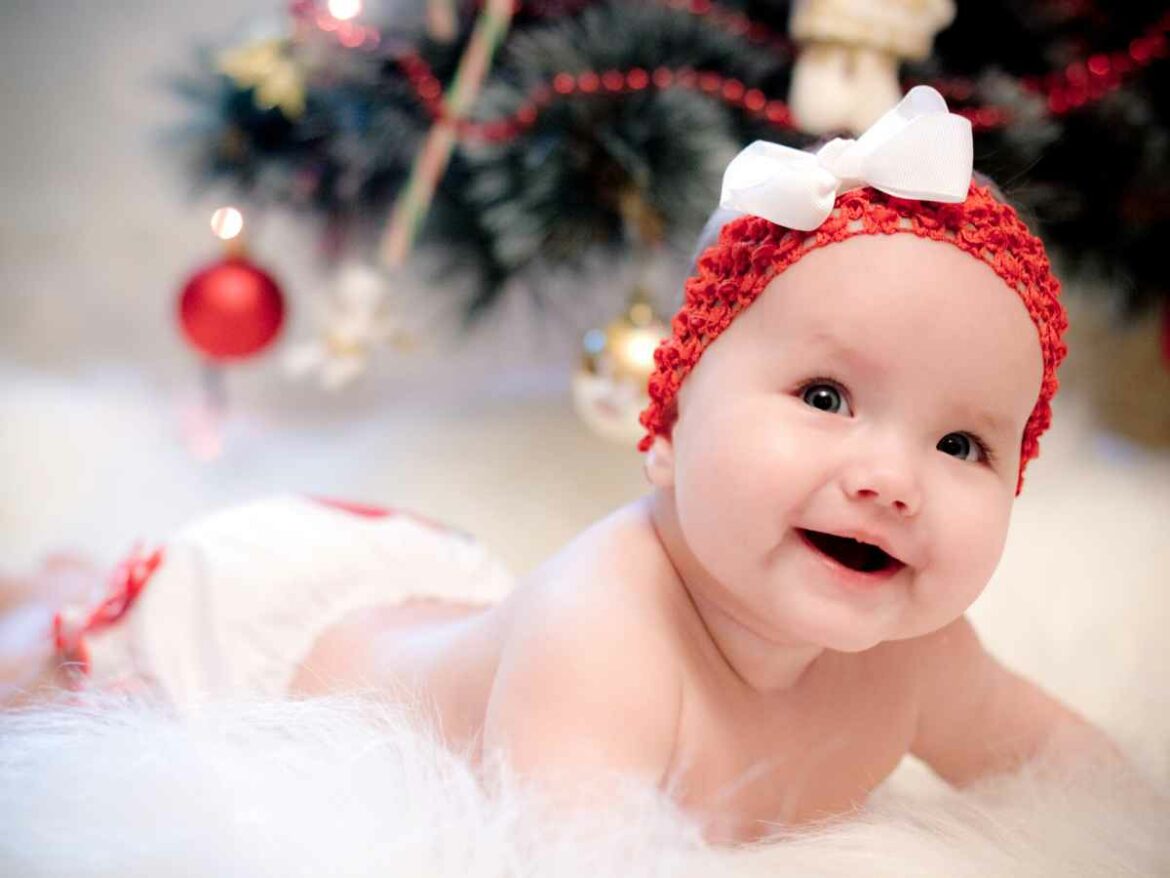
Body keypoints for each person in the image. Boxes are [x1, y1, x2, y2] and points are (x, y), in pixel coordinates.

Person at [5, 87, 1121, 844]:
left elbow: (1072, 777)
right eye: (826, 397)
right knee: (53, 671)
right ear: (668, 425)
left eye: (963, 442)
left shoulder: (921, 652)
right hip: (279, 645)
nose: (893, 477)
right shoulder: (608, 632)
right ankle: (57, 589)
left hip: (448, 598)